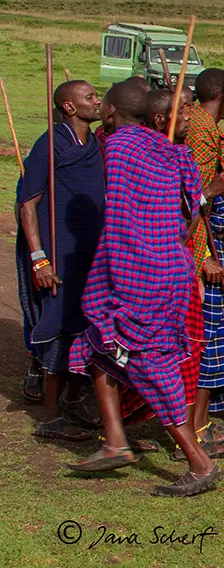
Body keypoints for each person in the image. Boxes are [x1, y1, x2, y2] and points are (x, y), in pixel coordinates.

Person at [65, 81, 223, 496]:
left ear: (113, 111)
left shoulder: (119, 147)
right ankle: (116, 440)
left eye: (105, 105)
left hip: (140, 272)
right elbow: (192, 216)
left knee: (147, 363)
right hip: (173, 266)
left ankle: (199, 462)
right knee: (97, 347)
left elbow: (119, 218)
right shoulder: (175, 153)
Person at [17, 80, 105, 441]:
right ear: (69, 107)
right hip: (57, 253)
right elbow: (27, 203)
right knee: (59, 326)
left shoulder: (94, 143)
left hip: (88, 251)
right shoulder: (50, 143)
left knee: (86, 325)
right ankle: (50, 417)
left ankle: (73, 399)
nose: (96, 102)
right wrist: (40, 259)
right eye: (89, 97)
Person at [180, 70, 224, 457]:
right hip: (202, 257)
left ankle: (200, 424)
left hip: (217, 250)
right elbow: (184, 199)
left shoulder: (213, 135)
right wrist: (203, 255)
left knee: (217, 341)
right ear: (223, 96)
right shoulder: (198, 136)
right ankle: (192, 432)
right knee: (206, 345)